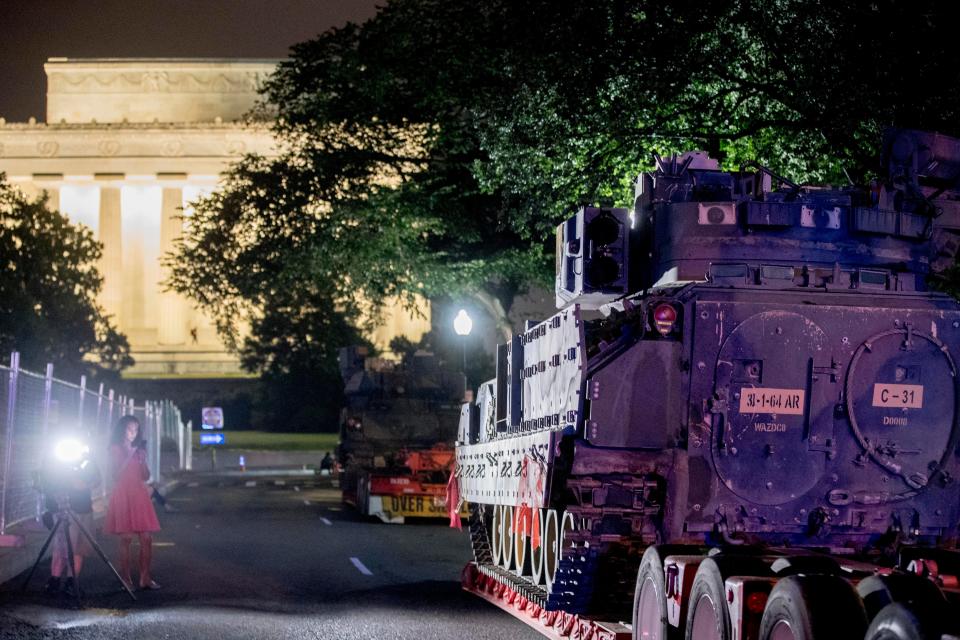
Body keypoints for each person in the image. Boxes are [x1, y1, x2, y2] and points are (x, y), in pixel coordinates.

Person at [104, 415, 162, 590]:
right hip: (123, 494)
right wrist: (129, 454)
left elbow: (145, 476)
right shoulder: (115, 449)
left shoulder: (139, 450)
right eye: (130, 429)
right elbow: (115, 475)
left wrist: (142, 460)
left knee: (147, 537)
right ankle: (126, 579)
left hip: (139, 494)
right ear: (122, 430)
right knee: (126, 538)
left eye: (136, 429)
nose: (133, 433)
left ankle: (145, 577)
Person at [39, 441, 100, 596]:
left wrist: (83, 481)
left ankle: (72, 582)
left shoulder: (87, 460)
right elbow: (55, 482)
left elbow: (95, 480)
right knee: (62, 547)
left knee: (78, 547)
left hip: (84, 508)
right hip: (64, 509)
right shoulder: (55, 462)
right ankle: (55, 580)